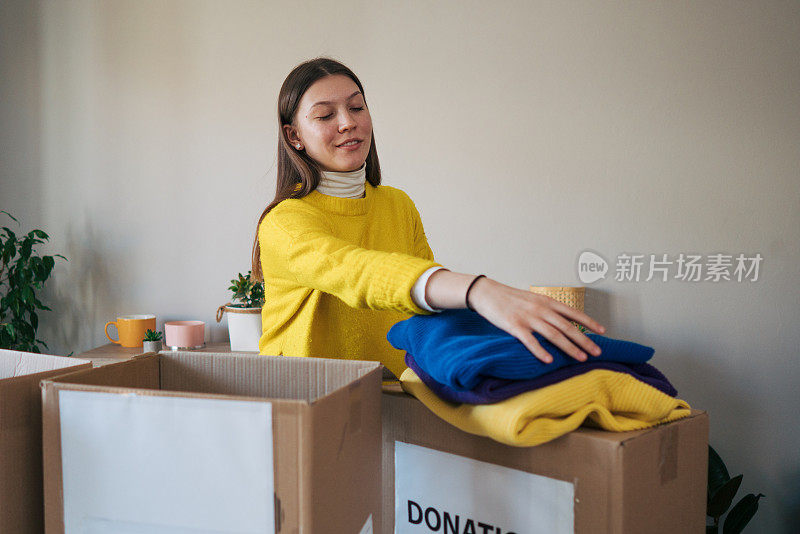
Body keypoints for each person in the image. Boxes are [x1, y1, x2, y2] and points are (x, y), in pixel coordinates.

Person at [251, 57, 606, 379]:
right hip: (302, 401)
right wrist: (477, 290)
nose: (348, 123)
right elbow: (357, 272)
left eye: (357, 107)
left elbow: (422, 307)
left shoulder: (396, 204)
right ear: (294, 136)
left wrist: (505, 334)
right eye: (326, 115)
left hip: (385, 396)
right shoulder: (286, 222)